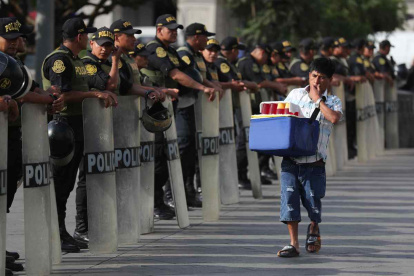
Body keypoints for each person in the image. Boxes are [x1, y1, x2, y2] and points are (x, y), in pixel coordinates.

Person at [42, 17, 118, 253]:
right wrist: (94, 96)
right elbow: (62, 95)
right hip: (62, 127)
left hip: (76, 126)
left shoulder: (74, 59)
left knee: (67, 184)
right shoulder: (59, 60)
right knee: (61, 183)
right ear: (79, 37)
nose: (89, 38)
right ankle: (54, 233)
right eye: (87, 35)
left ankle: (61, 232)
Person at [0, 17, 64, 273]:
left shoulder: (13, 63)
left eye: (19, 38)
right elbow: (18, 96)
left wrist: (51, 99)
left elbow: (29, 89)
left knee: (4, 198)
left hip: (12, 138)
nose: (16, 43)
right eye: (9, 37)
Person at [141, 14, 215, 214]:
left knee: (170, 153)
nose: (174, 32)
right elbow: (175, 75)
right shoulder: (153, 49)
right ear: (159, 30)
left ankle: (164, 199)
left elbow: (189, 71)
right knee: (158, 157)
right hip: (152, 111)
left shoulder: (171, 51)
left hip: (169, 110)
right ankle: (156, 202)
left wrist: (209, 84)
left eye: (176, 29)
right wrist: (202, 87)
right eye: (170, 29)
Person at [277, 57, 342, 257]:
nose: (317, 81)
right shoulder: (295, 94)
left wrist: (317, 100)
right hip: (291, 160)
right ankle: (293, 243)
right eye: (314, 76)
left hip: (314, 163)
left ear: (330, 80)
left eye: (322, 78)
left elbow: (333, 118)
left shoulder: (333, 101)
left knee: (313, 201)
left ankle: (314, 226)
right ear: (309, 75)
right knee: (289, 200)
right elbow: (282, 116)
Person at [70, 27, 122, 246]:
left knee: (102, 175)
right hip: (86, 127)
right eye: (101, 44)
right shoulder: (88, 63)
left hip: (103, 128)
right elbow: (109, 85)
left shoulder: (104, 63)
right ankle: (82, 228)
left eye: (109, 46)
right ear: (91, 43)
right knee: (86, 177)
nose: (105, 49)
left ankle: (98, 223)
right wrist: (115, 61)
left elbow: (122, 86)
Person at [214, 36, 258, 190]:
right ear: (233, 50)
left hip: (233, 107)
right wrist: (250, 84)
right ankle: (236, 175)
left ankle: (237, 175)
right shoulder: (222, 63)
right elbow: (235, 83)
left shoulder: (229, 63)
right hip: (225, 108)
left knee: (238, 140)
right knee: (236, 142)